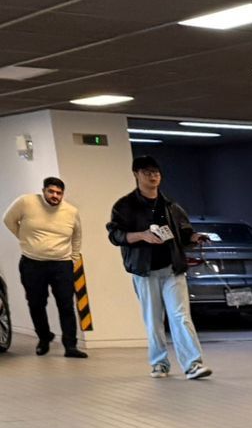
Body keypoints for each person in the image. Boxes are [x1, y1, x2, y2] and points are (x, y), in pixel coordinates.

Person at [107, 154, 209, 380]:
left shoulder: (171, 205)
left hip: (173, 269)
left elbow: (184, 232)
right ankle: (159, 363)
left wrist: (195, 237)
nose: (153, 176)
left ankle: (193, 364)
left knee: (181, 316)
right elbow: (115, 235)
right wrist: (141, 235)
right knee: (153, 320)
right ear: (136, 175)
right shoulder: (124, 206)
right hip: (145, 271)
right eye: (147, 172)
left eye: (156, 172)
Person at [4, 176, 87, 358]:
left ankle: (70, 346)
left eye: (59, 193)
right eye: (51, 191)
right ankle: (44, 337)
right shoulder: (26, 202)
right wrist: (26, 240)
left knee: (66, 305)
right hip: (32, 263)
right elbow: (8, 220)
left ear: (63, 194)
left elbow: (77, 235)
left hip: (62, 264)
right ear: (43, 191)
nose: (54, 196)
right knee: (36, 303)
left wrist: (73, 258)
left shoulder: (71, 211)